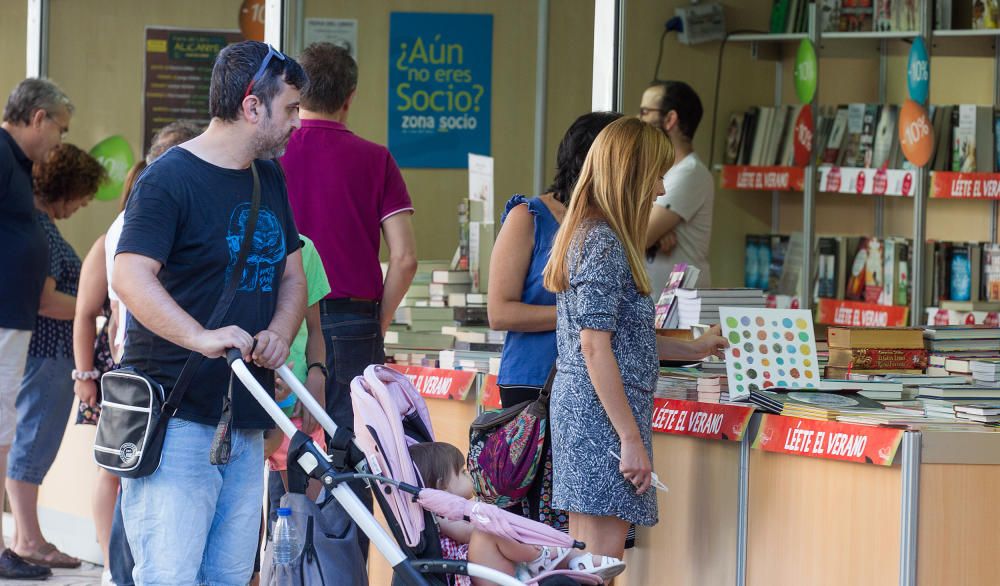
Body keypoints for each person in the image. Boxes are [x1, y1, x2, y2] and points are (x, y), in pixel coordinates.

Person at [113, 41, 307, 583]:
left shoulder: (268, 177)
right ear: (252, 106)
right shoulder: (168, 179)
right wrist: (199, 336)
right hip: (176, 419)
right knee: (171, 575)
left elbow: (292, 274)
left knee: (228, 576)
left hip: (243, 420)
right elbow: (129, 276)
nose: (297, 121)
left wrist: (279, 331)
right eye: (290, 108)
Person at [542, 117, 728, 566]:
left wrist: (695, 349)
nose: (661, 190)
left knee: (585, 559)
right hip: (602, 419)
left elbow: (626, 340)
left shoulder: (589, 234)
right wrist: (629, 437)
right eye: (656, 175)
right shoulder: (604, 242)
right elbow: (594, 346)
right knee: (599, 563)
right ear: (632, 175)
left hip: (589, 412)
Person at [280, 42, 417, 556]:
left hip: (283, 317)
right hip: (355, 320)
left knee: (280, 446)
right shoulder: (375, 159)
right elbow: (403, 258)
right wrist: (376, 322)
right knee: (354, 457)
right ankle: (343, 568)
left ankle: (284, 564)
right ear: (350, 97)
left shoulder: (275, 152)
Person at [487, 111, 621, 530]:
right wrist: (577, 319)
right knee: (533, 527)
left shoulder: (611, 225)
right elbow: (500, 310)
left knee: (585, 528)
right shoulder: (529, 216)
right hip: (535, 384)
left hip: (592, 383)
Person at [5, 144, 104, 572]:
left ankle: (29, 535)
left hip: (48, 354)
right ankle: (28, 538)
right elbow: (45, 299)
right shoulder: (39, 230)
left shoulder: (37, 226)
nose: (83, 204)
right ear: (67, 188)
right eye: (82, 195)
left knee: (31, 442)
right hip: (48, 354)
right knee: (33, 443)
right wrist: (95, 305)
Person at [0, 77, 73, 581]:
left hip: (13, 318)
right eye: (60, 130)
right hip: (5, 317)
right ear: (38, 118)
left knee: (4, 434)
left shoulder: (16, 165)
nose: (60, 143)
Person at [408, 442, 625, 585]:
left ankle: (571, 560)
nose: (469, 476)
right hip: (476, 576)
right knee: (487, 530)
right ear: (441, 487)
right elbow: (468, 533)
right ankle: (546, 558)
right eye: (463, 472)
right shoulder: (439, 516)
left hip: (488, 571)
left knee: (495, 524)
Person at [639, 80, 714, 295]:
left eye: (645, 112)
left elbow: (641, 235)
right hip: (661, 306)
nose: (638, 119)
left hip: (681, 311)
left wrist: (650, 233)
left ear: (670, 119)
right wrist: (655, 232)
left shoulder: (689, 172)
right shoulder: (659, 171)